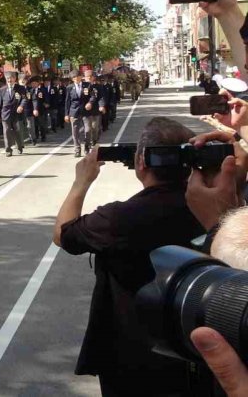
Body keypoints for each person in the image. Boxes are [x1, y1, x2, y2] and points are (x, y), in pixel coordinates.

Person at [53, 118, 205, 396]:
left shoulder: (118, 219)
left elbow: (63, 235)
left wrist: (81, 182)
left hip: (130, 355)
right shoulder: (215, 207)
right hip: (196, 347)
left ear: (141, 162)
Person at [64, 70, 96, 158]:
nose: (76, 79)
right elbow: (67, 101)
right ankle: (77, 149)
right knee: (75, 132)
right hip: (74, 111)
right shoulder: (69, 87)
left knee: (88, 130)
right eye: (74, 78)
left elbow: (93, 96)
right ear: (72, 79)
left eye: (77, 77)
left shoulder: (87, 85)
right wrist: (66, 114)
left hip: (86, 111)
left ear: (81, 77)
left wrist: (90, 103)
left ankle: (87, 147)